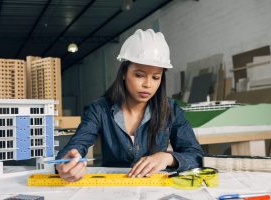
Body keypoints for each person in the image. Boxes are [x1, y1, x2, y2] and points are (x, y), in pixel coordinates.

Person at [56, 29, 204, 182]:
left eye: (155, 77)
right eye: (139, 75)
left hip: (155, 190)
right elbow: (75, 146)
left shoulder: (171, 110)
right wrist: (67, 162)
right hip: (114, 188)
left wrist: (167, 158)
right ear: (124, 73)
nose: (148, 84)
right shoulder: (100, 109)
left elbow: (196, 156)